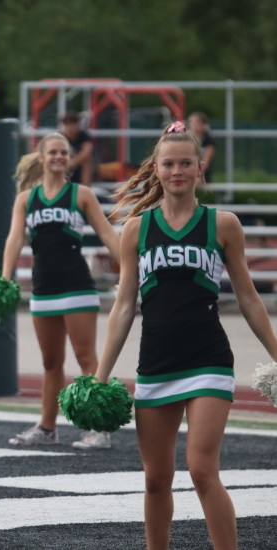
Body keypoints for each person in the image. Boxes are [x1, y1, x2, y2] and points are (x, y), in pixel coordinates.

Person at [95, 120, 277, 550]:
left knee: (201, 470)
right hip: (156, 363)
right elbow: (124, 305)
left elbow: (249, 299)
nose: (177, 171)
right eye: (168, 163)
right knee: (156, 479)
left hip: (208, 359)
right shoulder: (137, 230)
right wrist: (100, 374)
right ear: (156, 169)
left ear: (200, 168)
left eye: (186, 163)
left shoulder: (224, 224)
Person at [1, 133, 121, 449]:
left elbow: (107, 234)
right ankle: (47, 427)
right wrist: (5, 277)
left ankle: (101, 429)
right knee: (51, 362)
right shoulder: (26, 199)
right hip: (43, 287)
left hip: (77, 284)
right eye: (52, 152)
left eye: (63, 152)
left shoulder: (81, 194)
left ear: (69, 158)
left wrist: (134, 270)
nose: (58, 157)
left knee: (87, 359)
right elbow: (14, 239)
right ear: (41, 157)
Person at [61, 111, 95, 186]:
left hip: (77, 168)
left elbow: (87, 152)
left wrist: (72, 163)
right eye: (66, 124)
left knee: (87, 161)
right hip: (63, 166)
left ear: (77, 125)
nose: (69, 128)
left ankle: (86, 188)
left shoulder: (83, 136)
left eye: (72, 124)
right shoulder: (59, 137)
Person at [188, 111, 216, 184]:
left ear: (203, 124)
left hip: (201, 173)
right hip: (188, 170)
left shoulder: (208, 141)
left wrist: (196, 172)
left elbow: (206, 161)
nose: (193, 125)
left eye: (196, 122)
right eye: (191, 122)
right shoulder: (187, 139)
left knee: (193, 181)